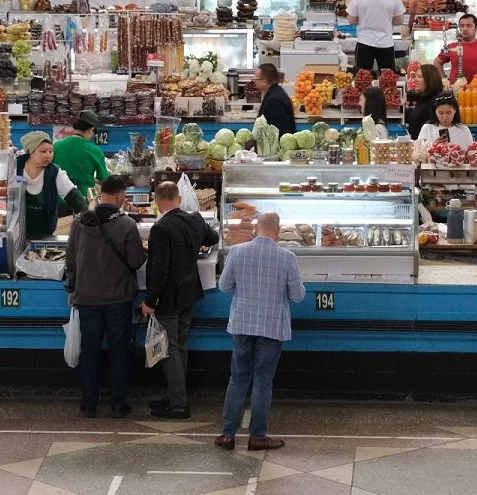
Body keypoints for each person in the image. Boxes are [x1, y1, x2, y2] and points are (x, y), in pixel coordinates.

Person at [214, 211, 305, 453]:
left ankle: (227, 434)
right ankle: (257, 436)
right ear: (277, 231)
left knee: (238, 378)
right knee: (263, 381)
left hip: (242, 324)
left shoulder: (237, 251)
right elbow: (298, 296)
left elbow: (223, 286)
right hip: (271, 326)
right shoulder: (287, 257)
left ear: (256, 228)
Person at [65, 174, 145, 419]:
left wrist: (72, 289)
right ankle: (119, 404)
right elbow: (135, 260)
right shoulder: (126, 225)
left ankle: (88, 404)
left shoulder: (79, 222)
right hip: (118, 300)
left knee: (89, 351)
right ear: (121, 196)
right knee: (119, 351)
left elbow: (70, 260)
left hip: (87, 299)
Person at [142, 180, 219, 420]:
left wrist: (150, 301)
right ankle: (176, 395)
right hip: (189, 294)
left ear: (157, 201)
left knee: (168, 350)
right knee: (180, 346)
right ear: (179, 198)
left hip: (168, 299)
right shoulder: (195, 218)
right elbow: (213, 238)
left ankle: (178, 403)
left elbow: (159, 270)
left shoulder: (160, 229)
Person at [17, 131, 88, 240]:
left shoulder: (54, 173)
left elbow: (75, 197)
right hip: (16, 232)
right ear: (31, 151)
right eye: (43, 151)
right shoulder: (15, 167)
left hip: (45, 233)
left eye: (51, 151)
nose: (48, 155)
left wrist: (88, 222)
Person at [346, 0, 406, 73]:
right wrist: (387, 20)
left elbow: (351, 20)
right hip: (385, 43)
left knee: (363, 78)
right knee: (387, 78)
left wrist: (363, 20)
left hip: (364, 42)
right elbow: (400, 20)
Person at [52, 111, 109, 205]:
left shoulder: (57, 146)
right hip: (82, 200)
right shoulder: (95, 151)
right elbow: (104, 180)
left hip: (59, 199)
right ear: (91, 130)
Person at [436, 13, 477, 81]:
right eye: (462, 26)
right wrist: (444, 80)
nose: (465, 29)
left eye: (468, 26)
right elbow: (437, 62)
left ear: (476, 28)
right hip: (456, 89)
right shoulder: (452, 47)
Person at [255, 63, 296, 138]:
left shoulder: (273, 101)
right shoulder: (275, 92)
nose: (254, 81)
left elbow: (279, 132)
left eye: (256, 79)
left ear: (264, 82)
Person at [406, 63, 446, 139]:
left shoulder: (438, 102)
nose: (415, 80)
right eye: (416, 76)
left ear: (430, 79)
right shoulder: (422, 100)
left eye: (420, 77)